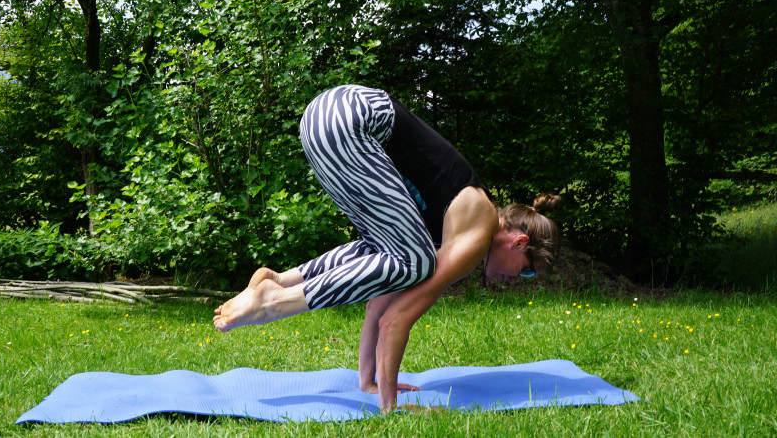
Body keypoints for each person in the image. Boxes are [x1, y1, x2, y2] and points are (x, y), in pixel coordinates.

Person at [213, 84, 562, 413]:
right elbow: (397, 320)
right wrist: (389, 405)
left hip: (321, 118)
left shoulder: (446, 226)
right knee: (415, 261)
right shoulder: (477, 229)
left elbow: (381, 303)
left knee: (389, 255)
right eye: (527, 270)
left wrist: (369, 382)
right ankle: (273, 300)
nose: (517, 281)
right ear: (519, 242)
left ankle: (282, 280)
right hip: (354, 119)